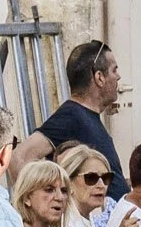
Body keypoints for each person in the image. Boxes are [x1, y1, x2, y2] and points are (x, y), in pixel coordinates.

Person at [19, 40, 123, 174]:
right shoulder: (71, 116)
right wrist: (50, 191)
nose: (118, 76)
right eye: (114, 70)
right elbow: (19, 158)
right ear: (99, 78)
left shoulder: (85, 116)